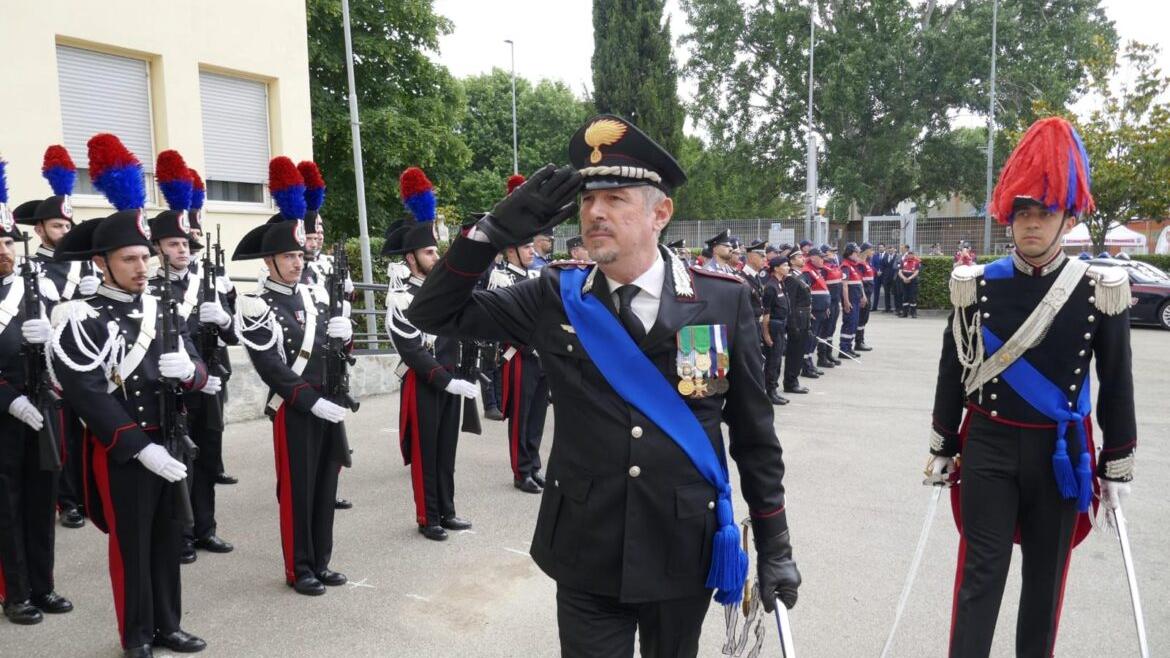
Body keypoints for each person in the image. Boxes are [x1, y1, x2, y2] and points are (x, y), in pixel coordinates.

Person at [407, 115, 800, 657]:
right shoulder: (553, 295)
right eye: (588, 200)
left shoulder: (721, 300)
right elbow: (433, 313)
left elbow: (754, 436)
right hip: (586, 545)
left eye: (615, 198)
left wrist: (776, 545)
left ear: (660, 213)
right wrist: (489, 233)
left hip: (682, 543)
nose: (595, 212)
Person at [928, 116, 1136, 657]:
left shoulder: (1098, 289)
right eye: (1022, 212)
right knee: (979, 577)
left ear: (1068, 218)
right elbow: (954, 368)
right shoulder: (977, 284)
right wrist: (943, 442)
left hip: (1062, 452)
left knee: (1046, 583)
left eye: (1044, 212)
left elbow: (1116, 380)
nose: (1032, 224)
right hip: (990, 445)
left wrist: (1116, 461)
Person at [51, 133, 213, 656]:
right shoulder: (81, 316)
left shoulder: (162, 306)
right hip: (125, 448)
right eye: (129, 259)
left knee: (168, 536)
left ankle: (169, 624)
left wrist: (190, 372)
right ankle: (137, 634)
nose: (142, 267)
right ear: (102, 262)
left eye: (145, 257)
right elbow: (86, 393)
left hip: (170, 437)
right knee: (133, 545)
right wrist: (139, 448)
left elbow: (200, 369)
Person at [233, 157, 352, 597]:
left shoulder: (315, 296)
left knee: (325, 485)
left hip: (328, 402)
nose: (298, 263)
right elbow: (272, 368)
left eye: (300, 255)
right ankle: (299, 567)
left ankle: (321, 561)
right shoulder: (256, 304)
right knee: (298, 491)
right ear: (269, 260)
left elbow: (332, 353)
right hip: (297, 408)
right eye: (289, 256)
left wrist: (345, 335)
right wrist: (311, 400)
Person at [146, 151, 236, 564]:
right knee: (178, 458)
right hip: (172, 386)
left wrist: (225, 317)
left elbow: (233, 336)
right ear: (158, 248)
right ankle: (180, 535)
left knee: (208, 457)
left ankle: (205, 528)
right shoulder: (149, 288)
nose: (182, 249)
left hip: (210, 382)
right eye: (173, 243)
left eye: (185, 243)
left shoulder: (208, 283)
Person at [384, 167, 476, 541]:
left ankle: (447, 510)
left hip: (450, 377)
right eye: (429, 251)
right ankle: (428, 516)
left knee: (446, 450)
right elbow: (410, 348)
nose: (436, 257)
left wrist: (460, 375)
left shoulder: (444, 290)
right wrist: (445, 380)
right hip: (424, 382)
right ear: (411, 258)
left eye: (437, 250)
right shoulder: (400, 297)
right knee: (426, 453)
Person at [0, 178, 74, 626]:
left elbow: (67, 355)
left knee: (41, 499)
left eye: (9, 241)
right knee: (6, 506)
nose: (4, 250)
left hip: (42, 406)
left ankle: (43, 585)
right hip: (4, 415)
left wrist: (50, 343)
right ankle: (15, 592)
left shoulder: (37, 288)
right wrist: (9, 400)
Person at [15, 144, 99, 531]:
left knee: (91, 428)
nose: (64, 232)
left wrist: (93, 292)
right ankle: (67, 501)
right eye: (56, 226)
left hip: (84, 356)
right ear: (40, 231)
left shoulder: (86, 265)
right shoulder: (31, 268)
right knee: (62, 434)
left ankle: (88, 493)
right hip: (49, 361)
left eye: (67, 226)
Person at [760, 255, 791, 405]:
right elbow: (766, 313)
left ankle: (774, 390)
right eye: (784, 265)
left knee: (778, 361)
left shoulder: (780, 283)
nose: (788, 267)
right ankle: (770, 392)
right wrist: (766, 335)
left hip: (780, 327)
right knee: (772, 361)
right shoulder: (771, 286)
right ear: (776, 268)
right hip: (773, 327)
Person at [782, 248, 812, 395]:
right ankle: (790, 382)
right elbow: (791, 303)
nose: (802, 258)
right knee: (794, 352)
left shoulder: (801, 276)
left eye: (802, 256)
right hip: (797, 320)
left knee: (799, 352)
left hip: (804, 317)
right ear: (792, 261)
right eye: (799, 257)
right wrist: (792, 324)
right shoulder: (791, 278)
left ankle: (794, 380)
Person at [801, 247, 829, 377]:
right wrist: (809, 309)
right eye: (820, 257)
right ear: (812, 258)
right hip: (814, 311)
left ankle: (810, 363)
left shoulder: (815, 271)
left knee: (814, 340)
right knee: (810, 339)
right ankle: (806, 367)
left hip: (821, 309)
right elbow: (804, 293)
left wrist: (826, 306)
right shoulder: (807, 272)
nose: (823, 260)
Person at [837, 243, 864, 358]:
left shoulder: (854, 265)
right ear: (850, 253)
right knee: (849, 324)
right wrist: (846, 302)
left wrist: (863, 296)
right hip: (851, 300)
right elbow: (844, 286)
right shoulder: (845, 266)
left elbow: (858, 282)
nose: (858, 254)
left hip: (856, 300)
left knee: (854, 324)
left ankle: (849, 347)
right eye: (856, 253)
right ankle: (843, 349)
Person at [819, 244, 843, 368]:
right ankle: (822, 357)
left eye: (833, 252)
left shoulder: (833, 265)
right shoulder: (823, 268)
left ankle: (828, 354)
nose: (833, 254)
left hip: (835, 301)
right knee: (824, 330)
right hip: (828, 303)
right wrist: (826, 304)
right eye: (830, 252)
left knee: (831, 329)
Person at [854, 242, 876, 351]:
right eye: (871, 250)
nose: (873, 252)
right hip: (864, 295)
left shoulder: (867, 262)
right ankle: (858, 342)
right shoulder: (860, 264)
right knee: (861, 318)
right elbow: (859, 281)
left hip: (868, 294)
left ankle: (861, 340)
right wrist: (862, 295)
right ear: (866, 250)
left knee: (864, 319)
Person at [897, 248, 921, 317]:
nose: (910, 255)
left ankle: (913, 313)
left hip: (913, 281)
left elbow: (916, 272)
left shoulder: (916, 262)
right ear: (907, 255)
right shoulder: (903, 261)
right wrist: (904, 278)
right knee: (905, 297)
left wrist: (909, 278)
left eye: (911, 254)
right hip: (904, 281)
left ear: (913, 255)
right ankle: (905, 313)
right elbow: (899, 272)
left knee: (912, 297)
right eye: (909, 254)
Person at [870, 242, 886, 314]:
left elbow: (888, 266)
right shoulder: (875, 256)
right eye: (879, 247)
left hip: (884, 276)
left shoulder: (887, 255)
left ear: (884, 248)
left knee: (886, 292)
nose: (880, 248)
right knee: (876, 292)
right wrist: (876, 271)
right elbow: (872, 265)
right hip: (876, 276)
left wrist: (882, 271)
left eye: (882, 247)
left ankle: (887, 307)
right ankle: (874, 307)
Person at [883, 245, 900, 312]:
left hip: (894, 278)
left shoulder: (897, 257)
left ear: (894, 249)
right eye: (889, 249)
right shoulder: (885, 257)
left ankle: (897, 308)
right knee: (886, 293)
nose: (890, 250)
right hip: (886, 278)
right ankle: (887, 308)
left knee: (896, 293)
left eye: (891, 249)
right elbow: (883, 266)